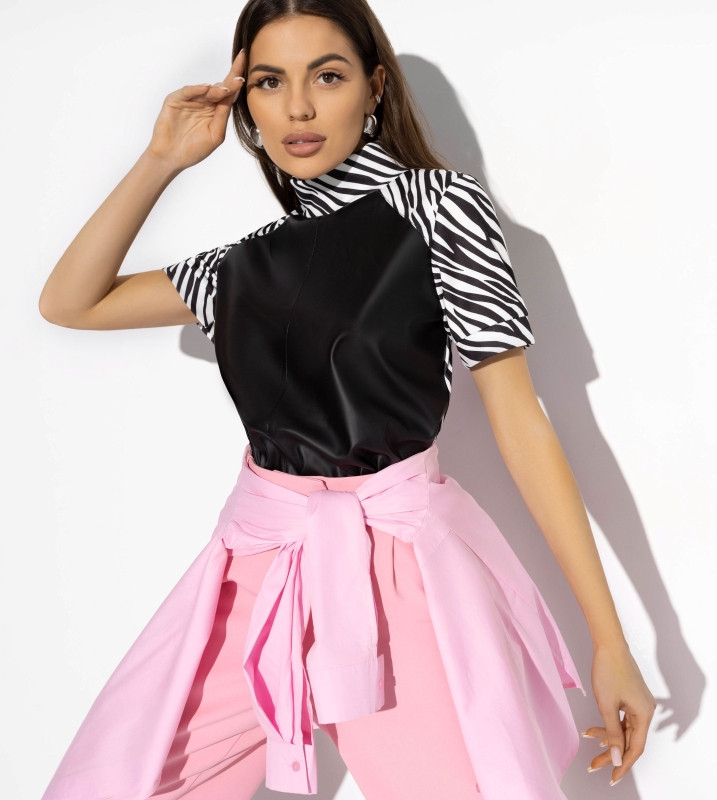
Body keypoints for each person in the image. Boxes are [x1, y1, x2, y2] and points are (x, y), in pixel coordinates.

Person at [38, 1, 657, 798]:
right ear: (246, 105)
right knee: (112, 780)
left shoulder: (439, 207)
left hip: (397, 570)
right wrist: (163, 158)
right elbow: (70, 301)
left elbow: (522, 425)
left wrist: (612, 643)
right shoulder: (241, 268)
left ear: (374, 88)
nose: (297, 108)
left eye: (326, 77)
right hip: (256, 564)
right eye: (270, 83)